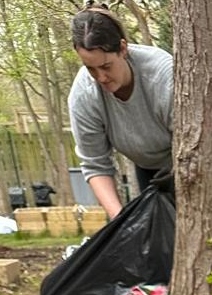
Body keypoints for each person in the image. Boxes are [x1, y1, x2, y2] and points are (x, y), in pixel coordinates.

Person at [68, 6, 173, 221]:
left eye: (106, 66)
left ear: (123, 49)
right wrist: (120, 221)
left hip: (185, 162)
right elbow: (95, 164)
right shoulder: (83, 97)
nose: (101, 77)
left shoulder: (164, 76)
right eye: (91, 69)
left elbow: (194, 148)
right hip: (147, 168)